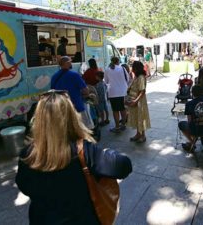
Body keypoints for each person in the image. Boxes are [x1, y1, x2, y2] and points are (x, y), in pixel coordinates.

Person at [15, 91, 132, 224]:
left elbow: (23, 185)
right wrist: (106, 152)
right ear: (71, 116)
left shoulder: (28, 154)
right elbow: (124, 165)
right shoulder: (85, 151)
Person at [51, 56, 93, 128]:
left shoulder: (54, 76)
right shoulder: (74, 75)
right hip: (76, 106)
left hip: (61, 107)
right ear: (67, 63)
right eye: (70, 62)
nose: (71, 63)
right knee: (81, 129)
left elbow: (53, 90)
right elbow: (85, 90)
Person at [178, 85, 203, 152]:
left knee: (181, 124)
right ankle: (192, 143)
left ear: (192, 93)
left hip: (195, 130)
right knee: (197, 124)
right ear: (202, 92)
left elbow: (189, 121)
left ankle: (192, 143)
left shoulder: (189, 104)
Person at [126, 61, 151, 143]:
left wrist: (136, 101)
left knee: (141, 118)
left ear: (136, 68)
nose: (131, 68)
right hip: (135, 100)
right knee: (137, 118)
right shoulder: (136, 76)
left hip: (139, 101)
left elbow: (142, 91)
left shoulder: (140, 77)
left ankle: (142, 135)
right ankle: (138, 134)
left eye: (132, 67)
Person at [105, 56, 129, 133]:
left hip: (113, 92)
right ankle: (123, 125)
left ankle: (117, 126)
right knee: (123, 109)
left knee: (115, 110)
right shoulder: (123, 68)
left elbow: (106, 81)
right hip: (123, 92)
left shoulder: (107, 69)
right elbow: (127, 79)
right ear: (118, 61)